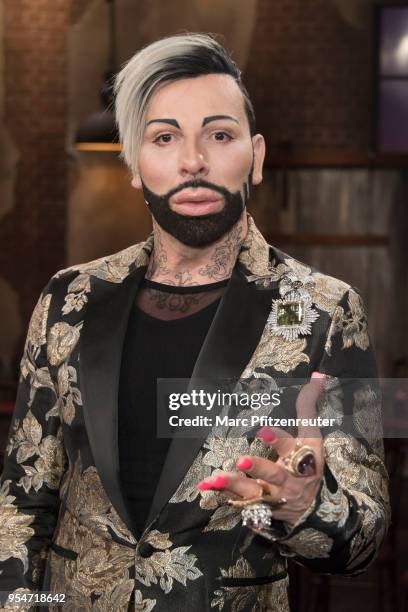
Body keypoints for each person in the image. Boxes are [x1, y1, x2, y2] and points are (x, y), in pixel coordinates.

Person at [0, 32, 389, 612]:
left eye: (219, 134)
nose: (193, 161)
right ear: (135, 163)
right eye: (164, 138)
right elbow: (24, 501)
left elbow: (362, 541)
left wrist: (306, 506)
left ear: (254, 157)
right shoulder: (70, 298)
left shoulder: (324, 311)